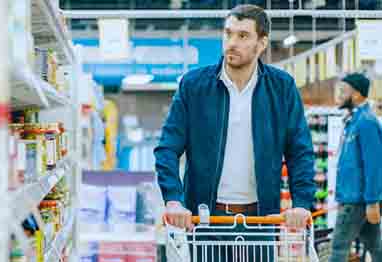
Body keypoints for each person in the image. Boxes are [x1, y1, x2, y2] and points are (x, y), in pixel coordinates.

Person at [154, 4, 315, 234]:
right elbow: (167, 148)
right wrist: (173, 200)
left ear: (262, 43)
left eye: (243, 36)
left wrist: (301, 203)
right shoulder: (193, 86)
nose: (232, 43)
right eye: (228, 33)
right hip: (206, 220)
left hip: (262, 220)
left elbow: (300, 151)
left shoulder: (282, 88)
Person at [329, 73, 382, 262]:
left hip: (356, 201)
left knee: (338, 248)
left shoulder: (366, 122)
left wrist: (373, 201)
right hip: (356, 198)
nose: (339, 95)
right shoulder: (354, 121)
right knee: (376, 248)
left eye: (344, 91)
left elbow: (374, 165)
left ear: (358, 94)